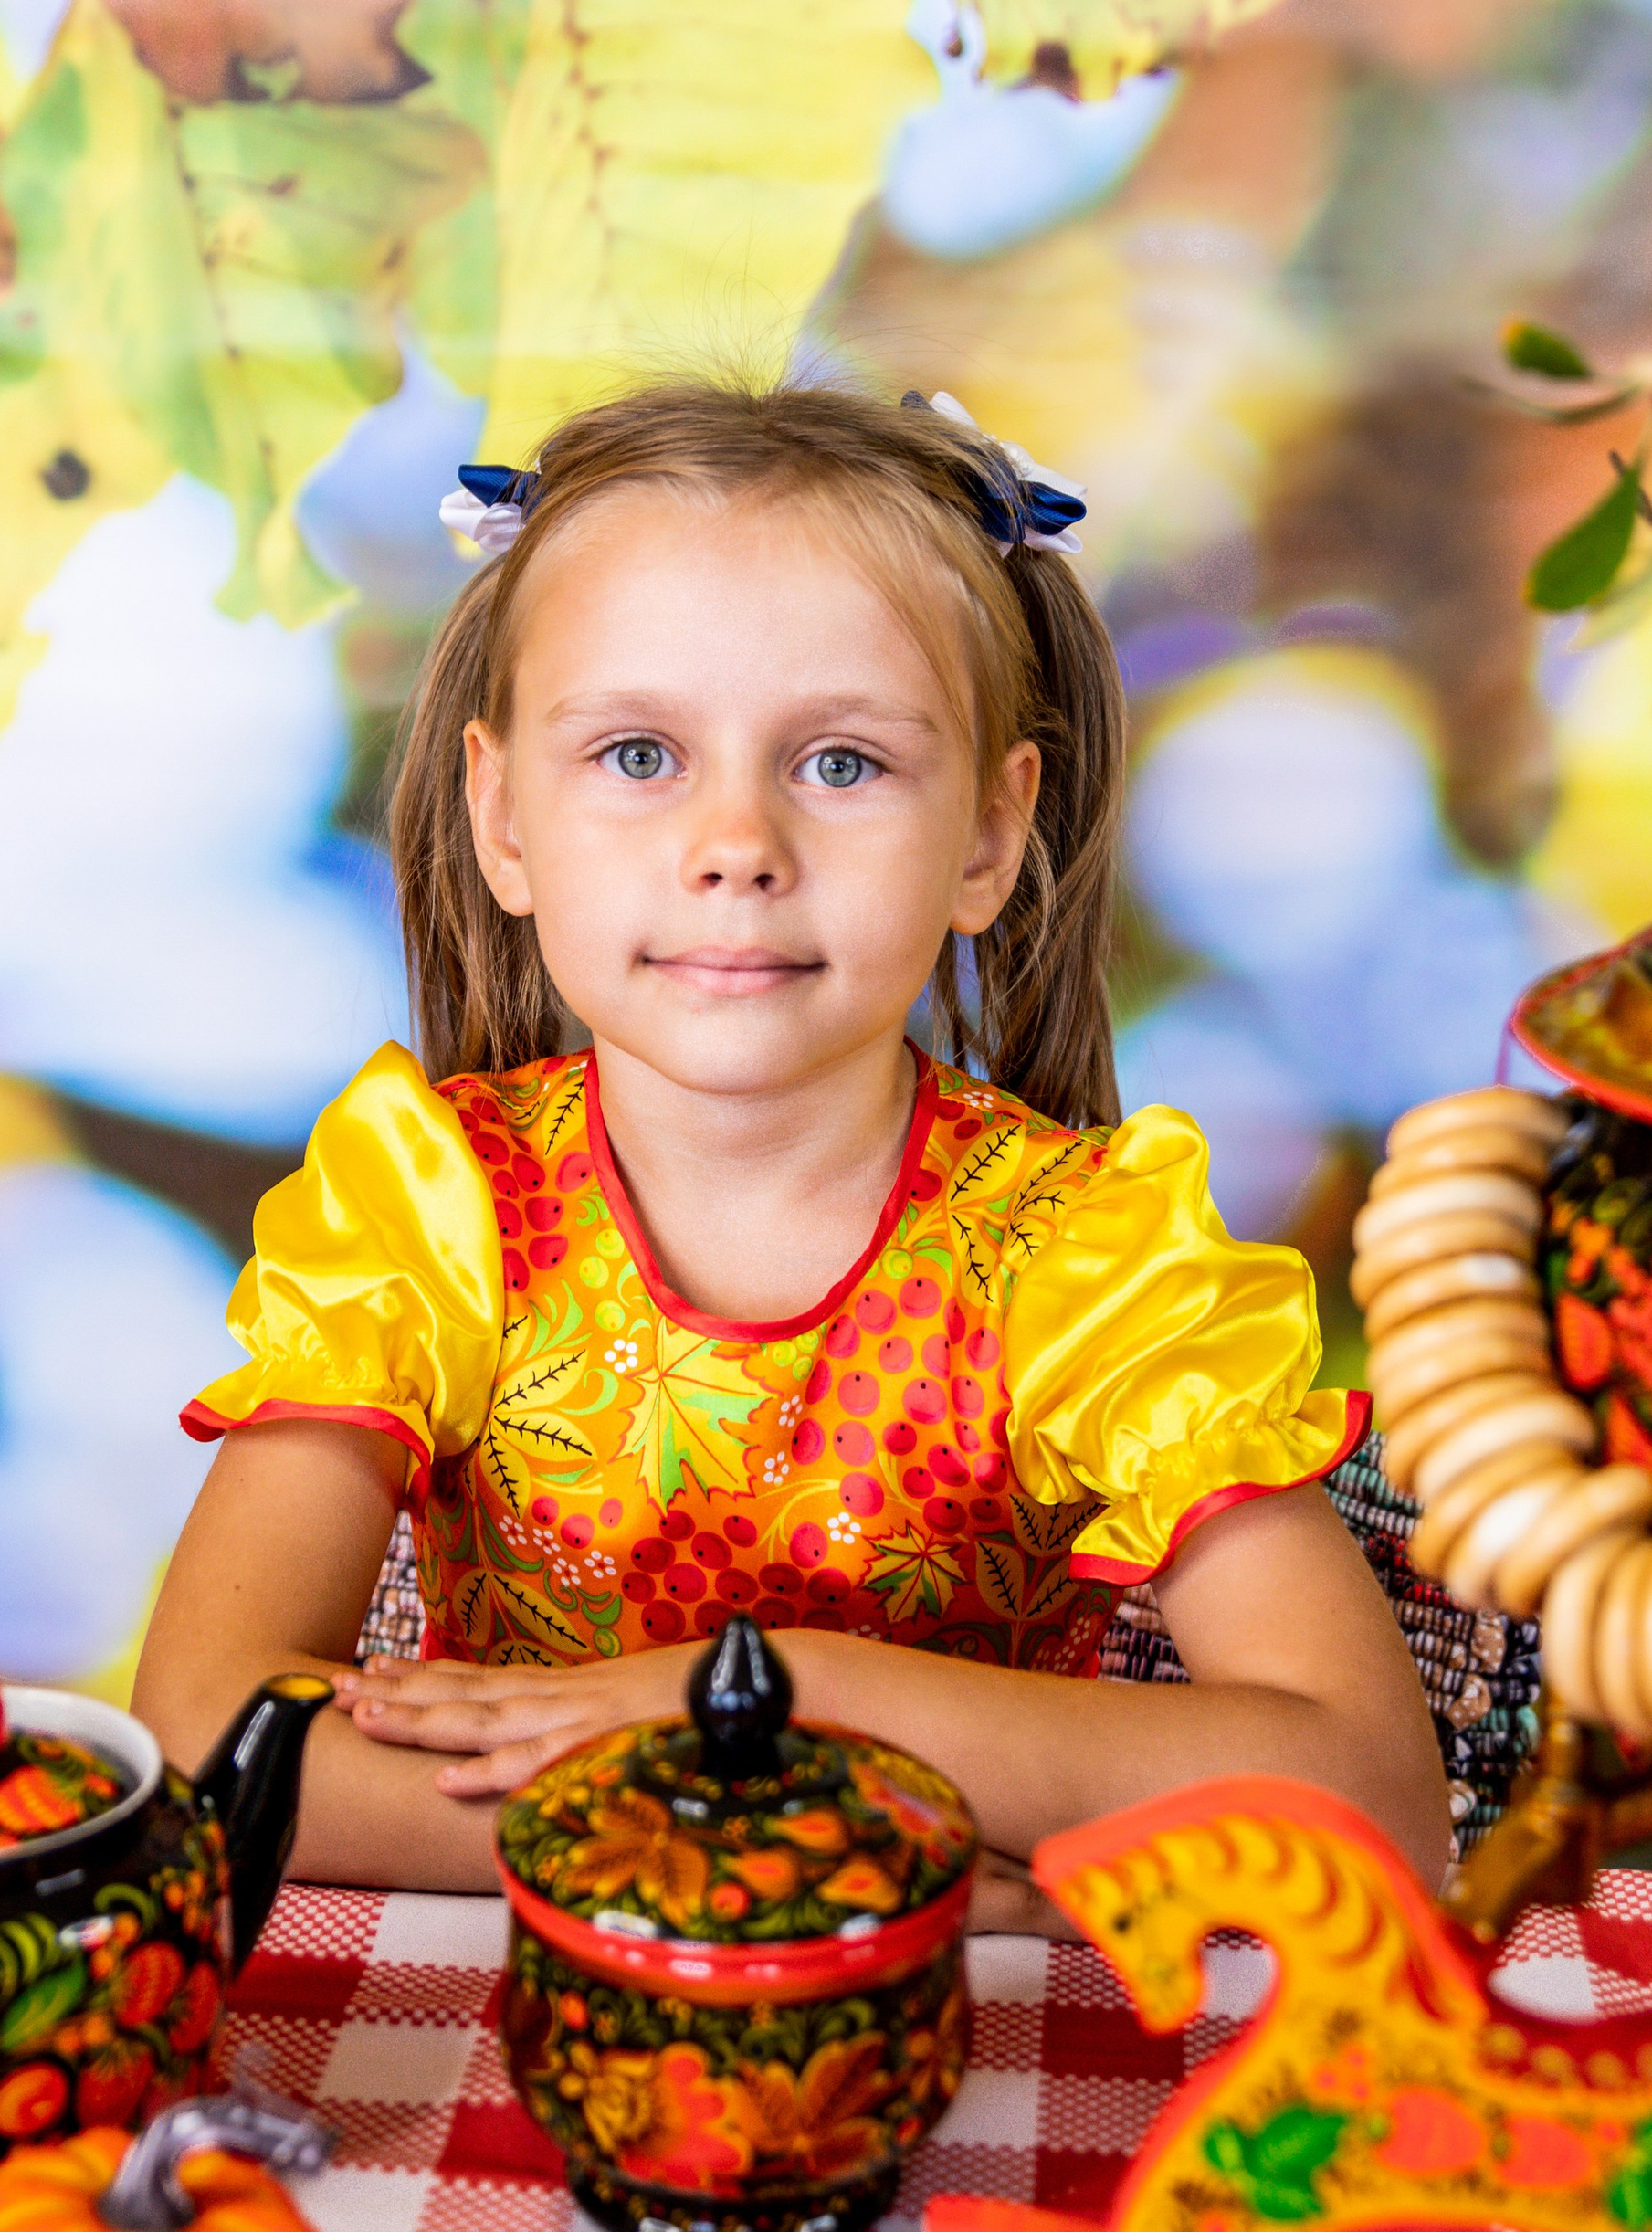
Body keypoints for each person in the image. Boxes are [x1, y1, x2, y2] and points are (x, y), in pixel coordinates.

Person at [132, 383, 1451, 1926]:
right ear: (502, 818)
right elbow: (209, 1737)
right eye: (637, 755)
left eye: (840, 763)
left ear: (987, 836)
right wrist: (779, 1843)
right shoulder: (429, 1214)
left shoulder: (1090, 1259)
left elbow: (1368, 1796)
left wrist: (774, 1694)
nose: (736, 842)